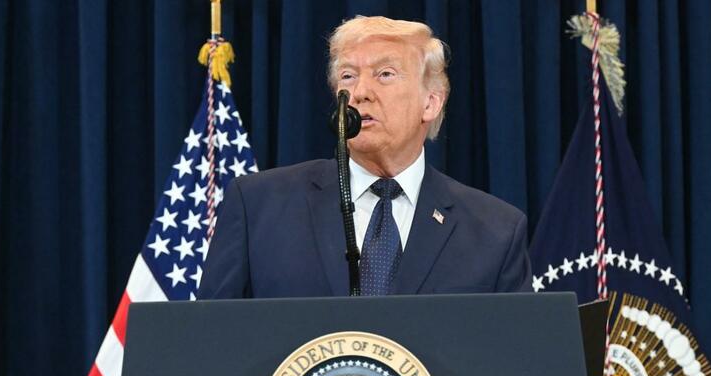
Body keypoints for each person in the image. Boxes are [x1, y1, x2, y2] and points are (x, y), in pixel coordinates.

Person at [198, 15, 531, 299]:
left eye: (385, 74)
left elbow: (514, 351)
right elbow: (211, 338)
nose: (360, 93)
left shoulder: (495, 232)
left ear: (430, 103)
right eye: (348, 76)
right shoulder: (258, 206)